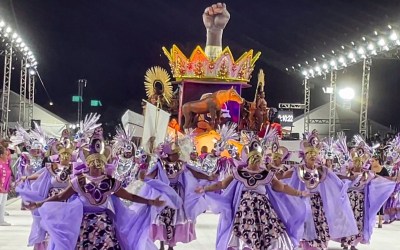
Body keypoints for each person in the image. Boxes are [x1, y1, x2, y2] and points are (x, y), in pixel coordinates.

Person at [27, 151, 165, 250]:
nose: (96, 167)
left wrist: (151, 202)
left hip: (103, 224)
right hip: (83, 223)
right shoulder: (79, 181)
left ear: (104, 166)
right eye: (94, 164)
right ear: (88, 165)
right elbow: (60, 196)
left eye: (99, 164)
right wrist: (40, 203)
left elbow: (130, 196)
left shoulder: (110, 182)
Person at [196, 149, 307, 249]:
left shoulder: (267, 175)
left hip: (264, 212)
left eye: (258, 159)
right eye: (253, 159)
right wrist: (205, 188)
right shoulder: (239, 173)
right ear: (248, 160)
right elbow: (221, 184)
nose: (255, 162)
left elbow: (283, 187)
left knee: (269, 234)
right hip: (243, 212)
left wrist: (299, 193)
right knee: (242, 233)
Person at [281, 131, 358, 250]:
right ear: (304, 155)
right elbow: (280, 177)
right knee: (305, 231)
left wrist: (349, 178)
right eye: (309, 153)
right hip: (303, 204)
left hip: (317, 205)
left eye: (314, 153)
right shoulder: (297, 169)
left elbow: (337, 177)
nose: (312, 156)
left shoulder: (323, 170)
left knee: (320, 230)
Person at [0, 145, 12, 226]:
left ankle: (1, 220)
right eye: (5, 154)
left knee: (2, 206)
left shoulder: (6, 164)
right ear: (1, 155)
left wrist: (9, 185)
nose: (7, 156)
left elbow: (9, 175)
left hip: (5, 188)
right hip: (0, 188)